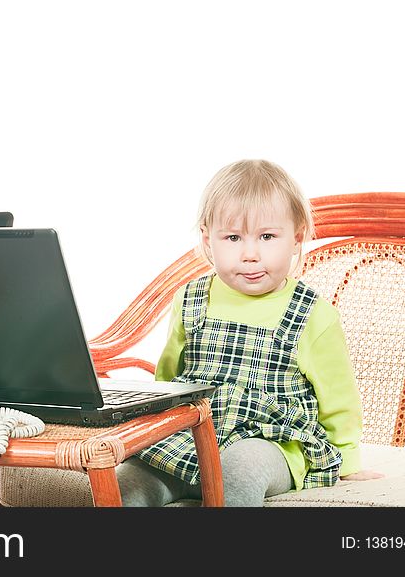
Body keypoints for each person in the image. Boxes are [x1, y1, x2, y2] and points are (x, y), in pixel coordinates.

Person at [117, 159, 381, 506]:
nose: (250, 254)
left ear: (296, 237)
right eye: (232, 237)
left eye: (267, 236)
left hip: (272, 441)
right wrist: (157, 428)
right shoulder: (191, 299)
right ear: (208, 240)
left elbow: (339, 398)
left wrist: (347, 459)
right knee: (128, 482)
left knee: (240, 470)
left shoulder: (311, 312)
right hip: (192, 436)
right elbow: (168, 379)